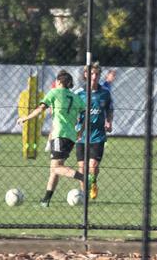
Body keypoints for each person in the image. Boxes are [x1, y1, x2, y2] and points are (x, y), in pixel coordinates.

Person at [16, 70, 86, 208]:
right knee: (53, 169)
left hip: (59, 134)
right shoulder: (76, 97)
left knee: (57, 167)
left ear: (59, 82)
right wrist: (80, 131)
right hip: (71, 137)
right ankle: (45, 200)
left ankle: (83, 177)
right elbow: (85, 115)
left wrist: (25, 118)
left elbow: (40, 109)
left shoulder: (54, 92)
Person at [74, 63, 113, 200]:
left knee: (93, 166)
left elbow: (110, 109)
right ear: (86, 75)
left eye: (97, 74)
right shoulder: (79, 93)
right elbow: (72, 110)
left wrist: (109, 121)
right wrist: (76, 117)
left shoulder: (105, 93)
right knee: (82, 167)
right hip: (81, 135)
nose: (94, 77)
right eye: (91, 74)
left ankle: (93, 182)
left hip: (98, 136)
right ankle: (84, 195)